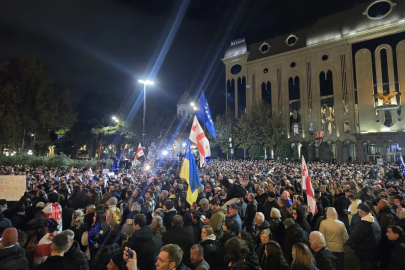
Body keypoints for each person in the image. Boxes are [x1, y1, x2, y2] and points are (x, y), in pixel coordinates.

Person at [349, 203, 381, 270]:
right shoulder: (374, 219)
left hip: (365, 252)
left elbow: (353, 238)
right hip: (375, 250)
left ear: (360, 211)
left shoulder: (363, 224)